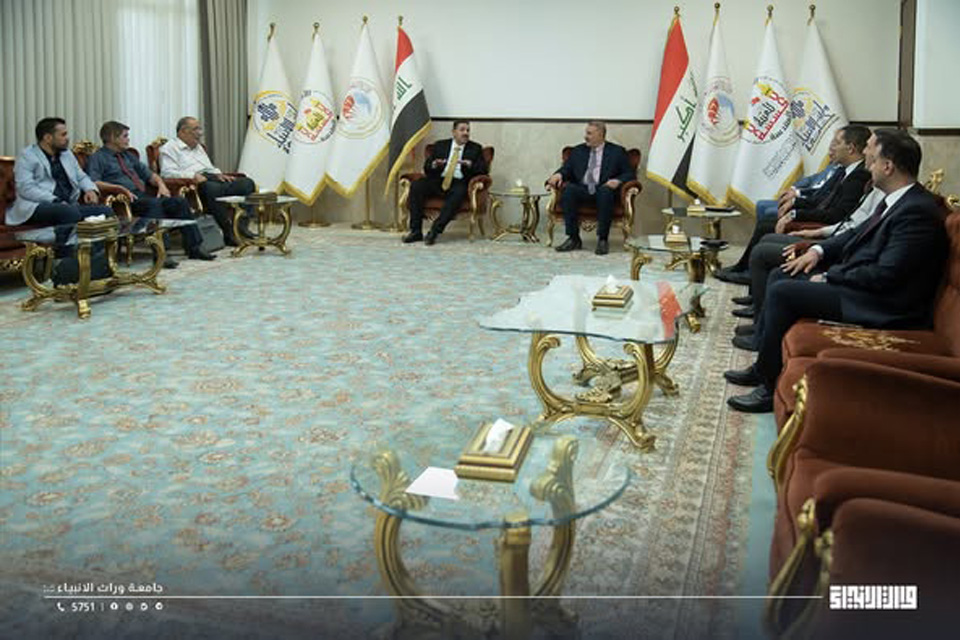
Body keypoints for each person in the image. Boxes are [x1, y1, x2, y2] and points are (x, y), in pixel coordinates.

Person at [724, 129, 949, 413]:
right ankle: (763, 368)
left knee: (784, 291)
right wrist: (817, 251)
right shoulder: (897, 200)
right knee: (783, 273)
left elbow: (886, 275)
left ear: (888, 166)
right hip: (861, 283)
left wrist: (831, 276)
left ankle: (769, 389)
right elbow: (855, 235)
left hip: (883, 304)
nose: (866, 157)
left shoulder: (917, 212)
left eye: (871, 153)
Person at [716, 125, 872, 284]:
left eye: (836, 142)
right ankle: (744, 270)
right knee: (767, 223)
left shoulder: (859, 176)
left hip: (824, 226)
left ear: (851, 148)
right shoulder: (843, 171)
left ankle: (748, 273)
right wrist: (794, 205)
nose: (832, 147)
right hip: (821, 219)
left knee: (766, 228)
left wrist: (795, 214)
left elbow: (836, 215)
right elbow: (819, 199)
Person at [85, 121, 215, 266]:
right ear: (112, 138)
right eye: (125, 136)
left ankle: (195, 247)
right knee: (154, 205)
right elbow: (93, 181)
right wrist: (118, 188)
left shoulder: (127, 156)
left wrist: (161, 185)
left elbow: (150, 175)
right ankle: (161, 252)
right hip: (125, 201)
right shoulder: (98, 158)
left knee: (179, 202)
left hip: (143, 196)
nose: (128, 139)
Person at [159, 117, 255, 246]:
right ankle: (228, 232)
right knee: (212, 189)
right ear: (183, 131)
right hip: (195, 185)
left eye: (200, 129)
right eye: (196, 129)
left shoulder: (198, 147)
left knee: (247, 183)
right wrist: (192, 175)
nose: (200, 133)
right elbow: (167, 173)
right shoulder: (169, 148)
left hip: (212, 178)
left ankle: (241, 226)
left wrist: (219, 174)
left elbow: (209, 167)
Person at [548, 121, 635, 255]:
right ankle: (573, 238)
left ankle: (602, 240)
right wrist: (559, 174)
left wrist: (618, 181)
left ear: (600, 135)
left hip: (603, 188)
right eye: (586, 133)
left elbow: (629, 173)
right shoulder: (578, 151)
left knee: (605, 192)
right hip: (583, 188)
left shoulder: (617, 152)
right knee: (569, 190)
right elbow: (567, 169)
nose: (586, 137)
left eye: (589, 133)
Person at [8, 117, 113, 227]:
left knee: (106, 211)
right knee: (68, 213)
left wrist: (90, 190)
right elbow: (26, 188)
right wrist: (55, 200)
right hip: (37, 205)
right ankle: (67, 238)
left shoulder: (66, 154)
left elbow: (81, 177)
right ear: (48, 138)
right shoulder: (27, 156)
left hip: (68, 205)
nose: (67, 138)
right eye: (63, 135)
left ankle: (95, 239)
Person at [402, 120, 488, 246]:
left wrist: (470, 165)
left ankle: (435, 231)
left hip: (459, 182)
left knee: (458, 193)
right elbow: (427, 167)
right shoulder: (440, 145)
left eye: (468, 130)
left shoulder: (475, 148)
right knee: (416, 186)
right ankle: (415, 231)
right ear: (454, 132)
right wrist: (434, 164)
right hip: (438, 179)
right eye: (462, 130)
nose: (466, 133)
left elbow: (483, 171)